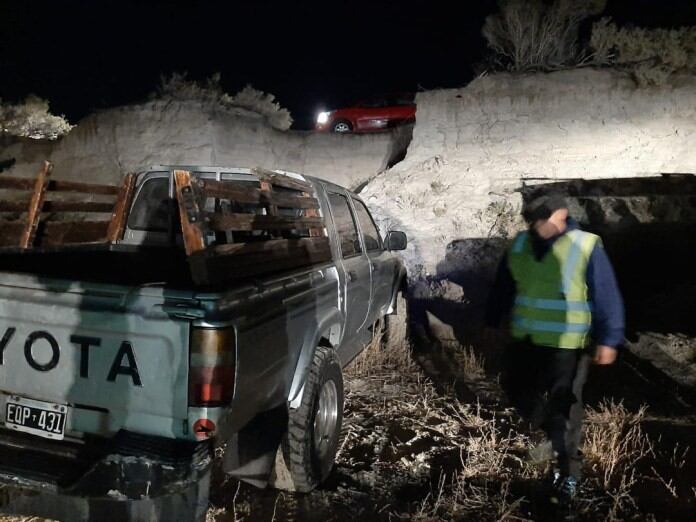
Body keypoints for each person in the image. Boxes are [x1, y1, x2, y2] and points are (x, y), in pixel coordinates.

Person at [485, 193, 625, 503]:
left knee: (567, 407)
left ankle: (568, 473)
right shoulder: (521, 244)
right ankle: (551, 430)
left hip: (568, 344)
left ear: (560, 216)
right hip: (527, 339)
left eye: (542, 221)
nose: (536, 228)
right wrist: (492, 320)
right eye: (532, 222)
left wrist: (609, 338)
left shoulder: (586, 245)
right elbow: (504, 285)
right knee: (514, 386)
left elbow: (606, 294)